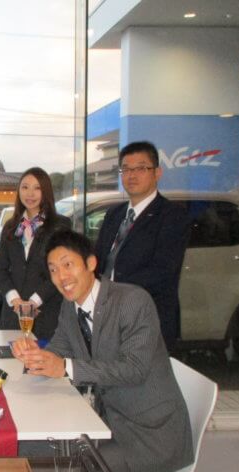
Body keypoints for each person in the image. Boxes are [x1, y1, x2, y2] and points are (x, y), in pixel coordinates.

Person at [13, 229, 192, 472]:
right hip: (106, 421)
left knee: (70, 468)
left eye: (67, 265)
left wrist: (64, 367)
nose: (61, 276)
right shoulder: (69, 307)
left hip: (150, 436)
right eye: (53, 270)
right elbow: (58, 350)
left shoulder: (133, 301)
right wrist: (35, 356)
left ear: (91, 263)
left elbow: (134, 370)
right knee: (33, 447)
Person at [94, 140, 190, 350]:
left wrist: (109, 289)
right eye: (126, 169)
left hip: (148, 318)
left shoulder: (172, 216)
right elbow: (99, 260)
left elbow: (163, 270)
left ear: (157, 173)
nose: (132, 175)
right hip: (108, 317)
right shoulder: (114, 214)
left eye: (141, 168)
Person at [0, 167, 71, 339]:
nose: (30, 193)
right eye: (25, 187)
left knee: (43, 355)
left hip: (46, 315)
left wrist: (33, 302)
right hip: (13, 316)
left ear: (46, 192)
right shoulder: (11, 226)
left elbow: (61, 271)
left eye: (37, 188)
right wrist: (15, 300)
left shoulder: (60, 226)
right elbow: (1, 270)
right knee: (11, 356)